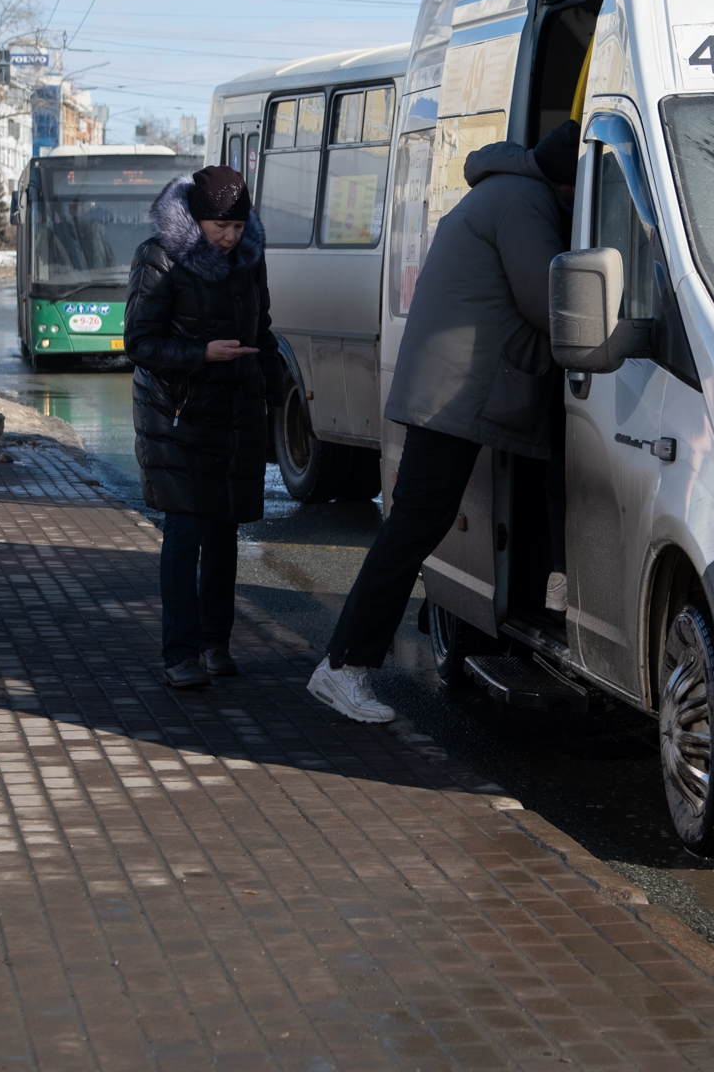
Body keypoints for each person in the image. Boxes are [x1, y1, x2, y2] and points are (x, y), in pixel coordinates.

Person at [308, 120, 579, 724]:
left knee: (414, 523)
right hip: (455, 393)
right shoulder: (526, 201)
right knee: (413, 527)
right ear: (567, 185)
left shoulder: (502, 189)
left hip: (452, 388)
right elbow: (548, 299)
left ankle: (344, 663)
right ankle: (344, 667)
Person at [124, 165, 279, 690]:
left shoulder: (249, 261)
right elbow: (139, 344)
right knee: (186, 530)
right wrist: (201, 353)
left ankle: (216, 644)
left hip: (235, 413)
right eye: (219, 227)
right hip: (178, 414)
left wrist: (277, 387)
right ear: (195, 217)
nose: (230, 237)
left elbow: (263, 331)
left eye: (237, 226)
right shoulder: (159, 258)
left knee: (223, 531)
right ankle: (180, 654)